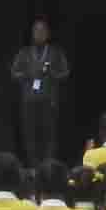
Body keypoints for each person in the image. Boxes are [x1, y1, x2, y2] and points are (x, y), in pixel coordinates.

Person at [9, 22, 69, 168]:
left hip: (49, 101)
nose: (39, 34)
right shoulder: (25, 53)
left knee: (49, 136)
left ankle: (47, 167)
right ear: (32, 33)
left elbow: (65, 73)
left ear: (48, 34)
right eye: (36, 31)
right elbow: (14, 73)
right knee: (30, 136)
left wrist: (52, 74)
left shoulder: (55, 52)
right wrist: (26, 74)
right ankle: (34, 168)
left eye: (42, 31)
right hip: (29, 100)